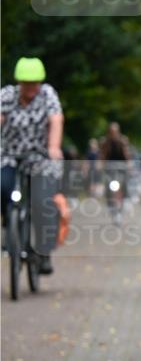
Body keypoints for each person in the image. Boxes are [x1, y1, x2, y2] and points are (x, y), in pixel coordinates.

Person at [1, 57, 64, 275]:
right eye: (27, 83)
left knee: (43, 201)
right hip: (9, 155)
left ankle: (44, 252)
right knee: (2, 186)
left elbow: (56, 120)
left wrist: (54, 147)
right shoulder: (7, 95)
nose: (31, 87)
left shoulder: (47, 95)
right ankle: (9, 229)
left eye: (35, 83)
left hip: (40, 157)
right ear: (19, 82)